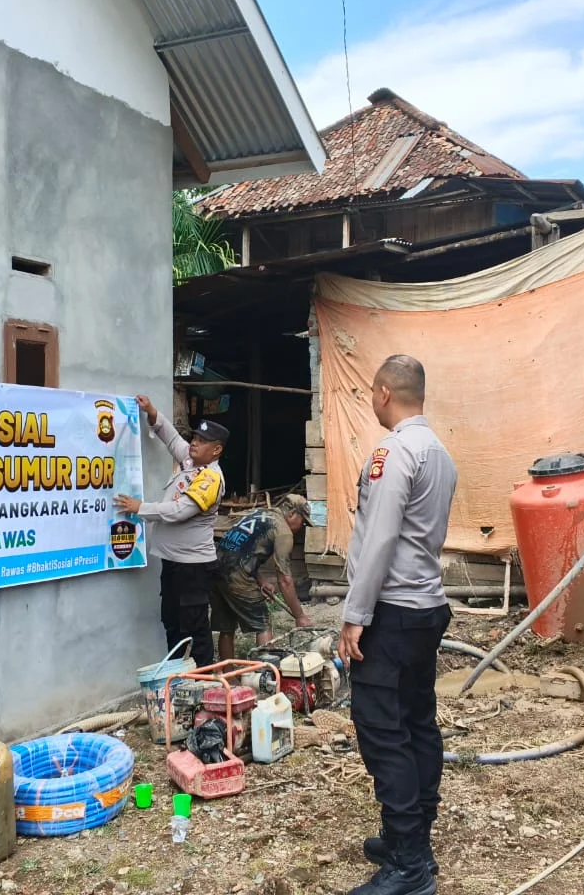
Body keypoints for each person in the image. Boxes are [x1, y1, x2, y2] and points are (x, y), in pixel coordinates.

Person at [337, 355, 456, 895]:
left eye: (370, 393)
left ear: (384, 393)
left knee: (384, 732)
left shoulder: (393, 453)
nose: (371, 400)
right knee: (416, 722)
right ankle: (412, 837)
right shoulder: (440, 453)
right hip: (425, 608)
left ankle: (409, 864)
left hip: (391, 612)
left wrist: (354, 617)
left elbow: (379, 540)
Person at [114, 395, 226, 668]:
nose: (194, 444)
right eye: (195, 438)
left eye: (201, 441)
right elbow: (173, 439)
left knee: (194, 629)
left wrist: (140, 508)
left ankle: (202, 683)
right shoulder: (191, 464)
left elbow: (179, 512)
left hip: (193, 568)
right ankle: (176, 683)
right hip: (174, 564)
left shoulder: (210, 478)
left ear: (216, 450)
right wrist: (152, 412)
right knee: (172, 623)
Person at [211, 493, 313, 661]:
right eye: (302, 521)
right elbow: (285, 580)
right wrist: (300, 616)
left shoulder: (259, 514)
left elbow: (242, 551)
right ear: (292, 513)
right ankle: (265, 673)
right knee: (263, 623)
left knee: (227, 627)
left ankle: (227, 674)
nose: (301, 526)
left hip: (217, 568)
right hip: (237, 576)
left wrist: (261, 580)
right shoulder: (283, 532)